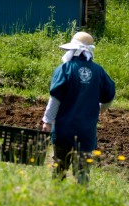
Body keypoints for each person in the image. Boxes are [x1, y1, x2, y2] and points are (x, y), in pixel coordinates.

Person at [42, 31, 115, 184]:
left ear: (73, 50)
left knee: (59, 172)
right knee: (82, 176)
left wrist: (47, 122)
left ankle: (55, 203)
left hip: (64, 132)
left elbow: (55, 99)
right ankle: (80, 204)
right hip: (86, 133)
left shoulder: (65, 69)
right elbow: (109, 96)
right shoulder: (98, 71)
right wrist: (98, 109)